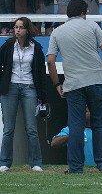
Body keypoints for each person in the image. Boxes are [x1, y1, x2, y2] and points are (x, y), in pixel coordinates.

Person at [47, 0, 102, 174]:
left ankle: (76, 167)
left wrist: (56, 84)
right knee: (100, 123)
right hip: (96, 79)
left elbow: (51, 61)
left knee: (76, 125)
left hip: (73, 83)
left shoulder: (57, 32)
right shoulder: (92, 26)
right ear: (84, 12)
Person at [0, 17, 46, 173]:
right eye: (15, 27)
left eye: (21, 27)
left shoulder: (36, 48)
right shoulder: (7, 46)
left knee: (31, 128)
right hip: (10, 88)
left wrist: (43, 96)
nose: (17, 30)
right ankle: (5, 162)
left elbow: (40, 73)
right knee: (8, 128)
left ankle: (36, 162)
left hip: (29, 87)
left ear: (28, 30)